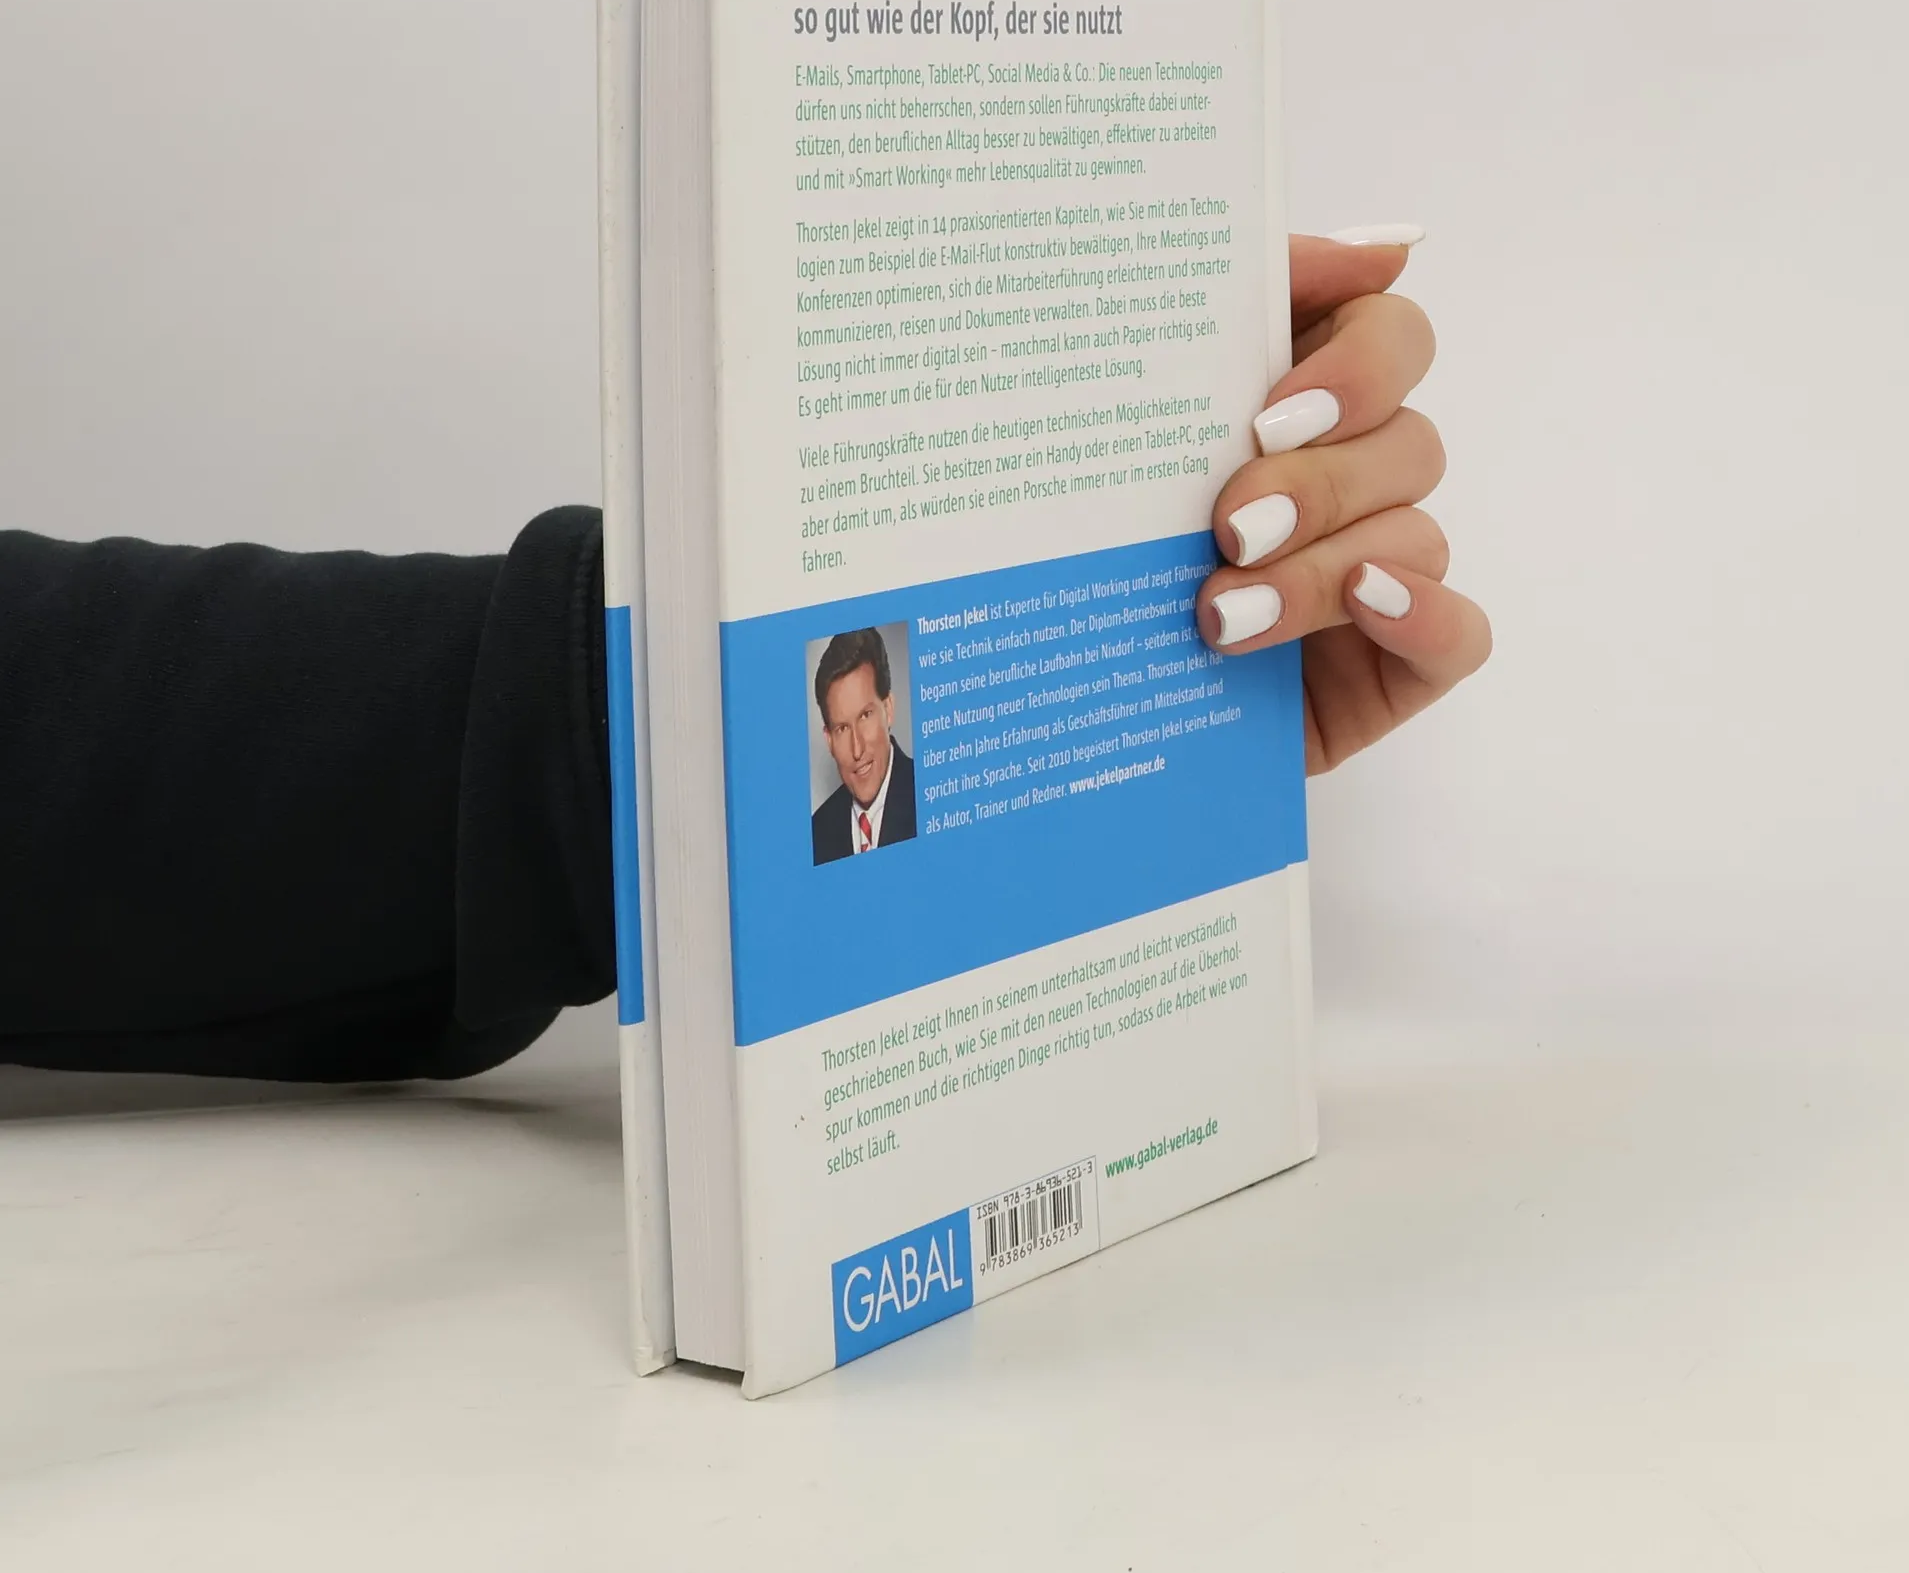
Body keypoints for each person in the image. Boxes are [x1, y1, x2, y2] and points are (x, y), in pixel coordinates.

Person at [0, 230, 1489, 1084]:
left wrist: (1113, 674)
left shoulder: (885, 785)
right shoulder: (824, 789)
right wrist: (652, 737)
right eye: (836, 726)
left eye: (862, 719)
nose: (853, 746)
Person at [810, 628, 917, 865]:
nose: (857, 750)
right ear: (829, 740)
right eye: (842, 728)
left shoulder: (929, 795)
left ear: (888, 710)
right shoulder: (816, 832)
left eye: (865, 716)